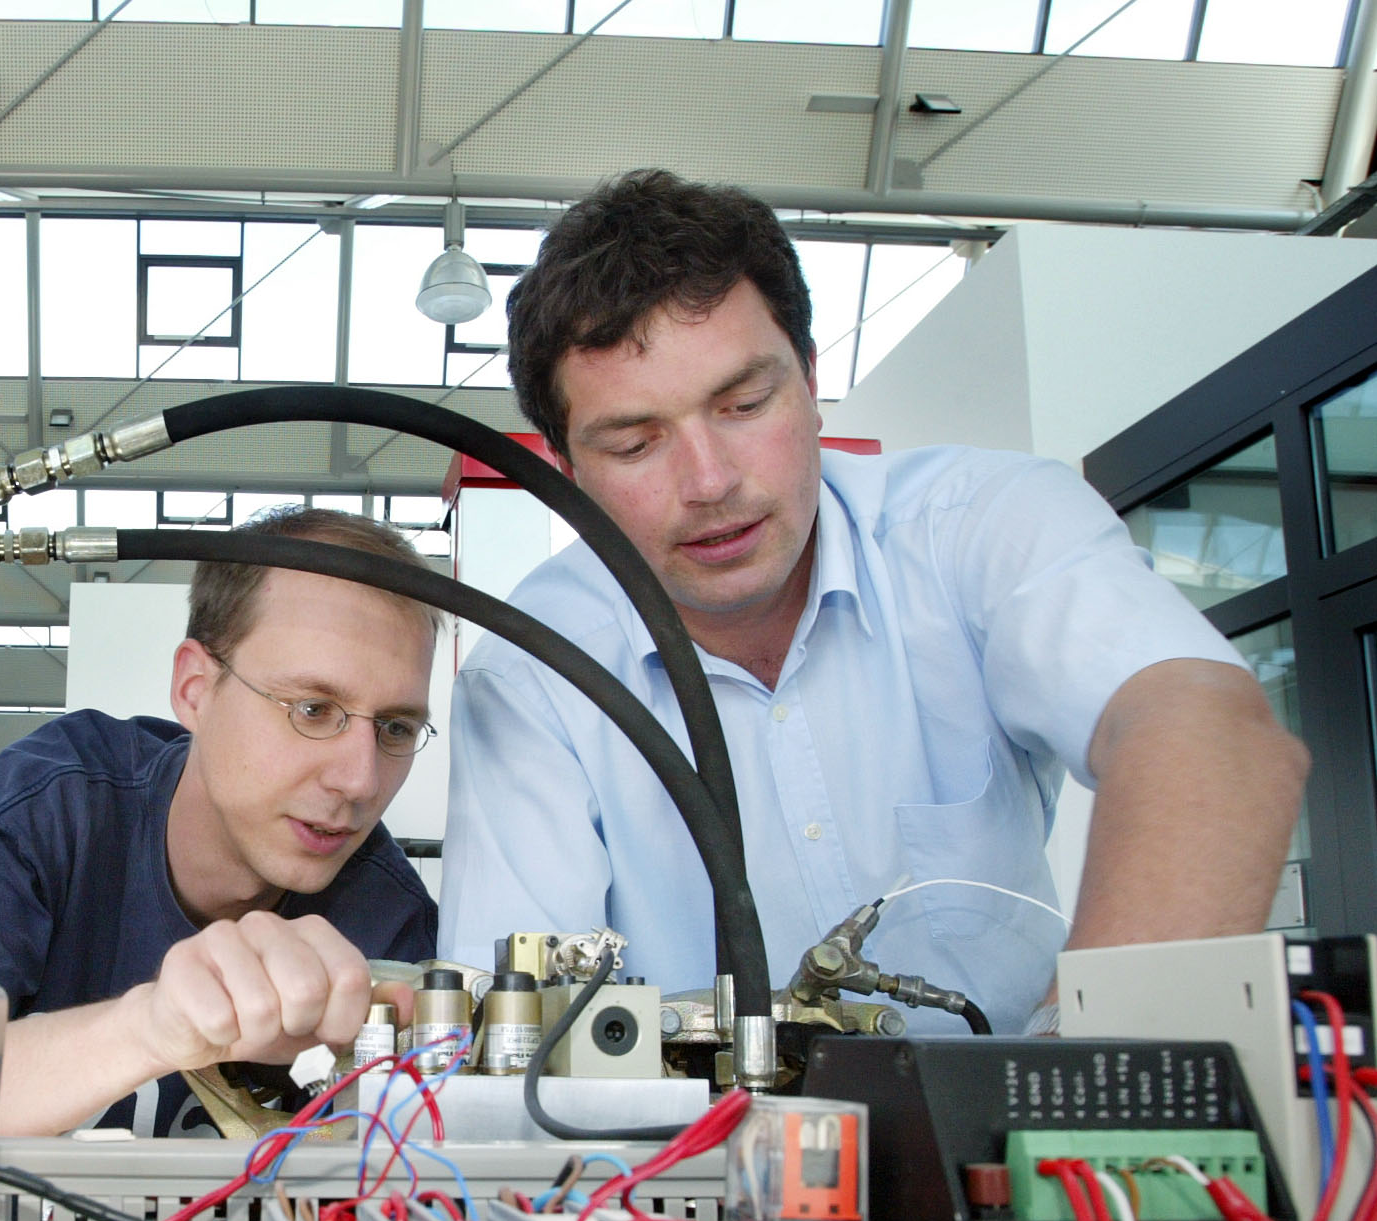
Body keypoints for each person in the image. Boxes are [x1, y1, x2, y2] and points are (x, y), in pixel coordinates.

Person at [441, 171, 1308, 1032]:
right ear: (568, 472)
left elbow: (1212, 738)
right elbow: (514, 1020)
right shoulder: (532, 674)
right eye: (635, 445)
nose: (708, 482)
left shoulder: (978, 525)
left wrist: (1075, 1075)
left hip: (1018, 1105)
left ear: (811, 380)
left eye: (745, 404)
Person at [0, 505, 442, 1139]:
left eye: (396, 728)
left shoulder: (388, 915)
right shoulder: (42, 815)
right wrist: (149, 1028)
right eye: (313, 709)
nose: (360, 781)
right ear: (195, 688)